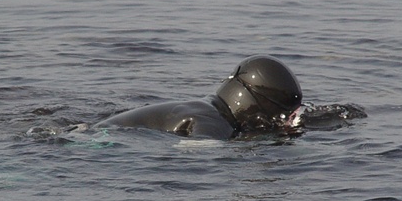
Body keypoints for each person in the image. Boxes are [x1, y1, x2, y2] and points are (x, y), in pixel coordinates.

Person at [95, 55, 303, 140]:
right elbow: (198, 162)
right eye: (285, 114)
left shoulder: (206, 109)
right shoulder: (214, 124)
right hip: (96, 142)